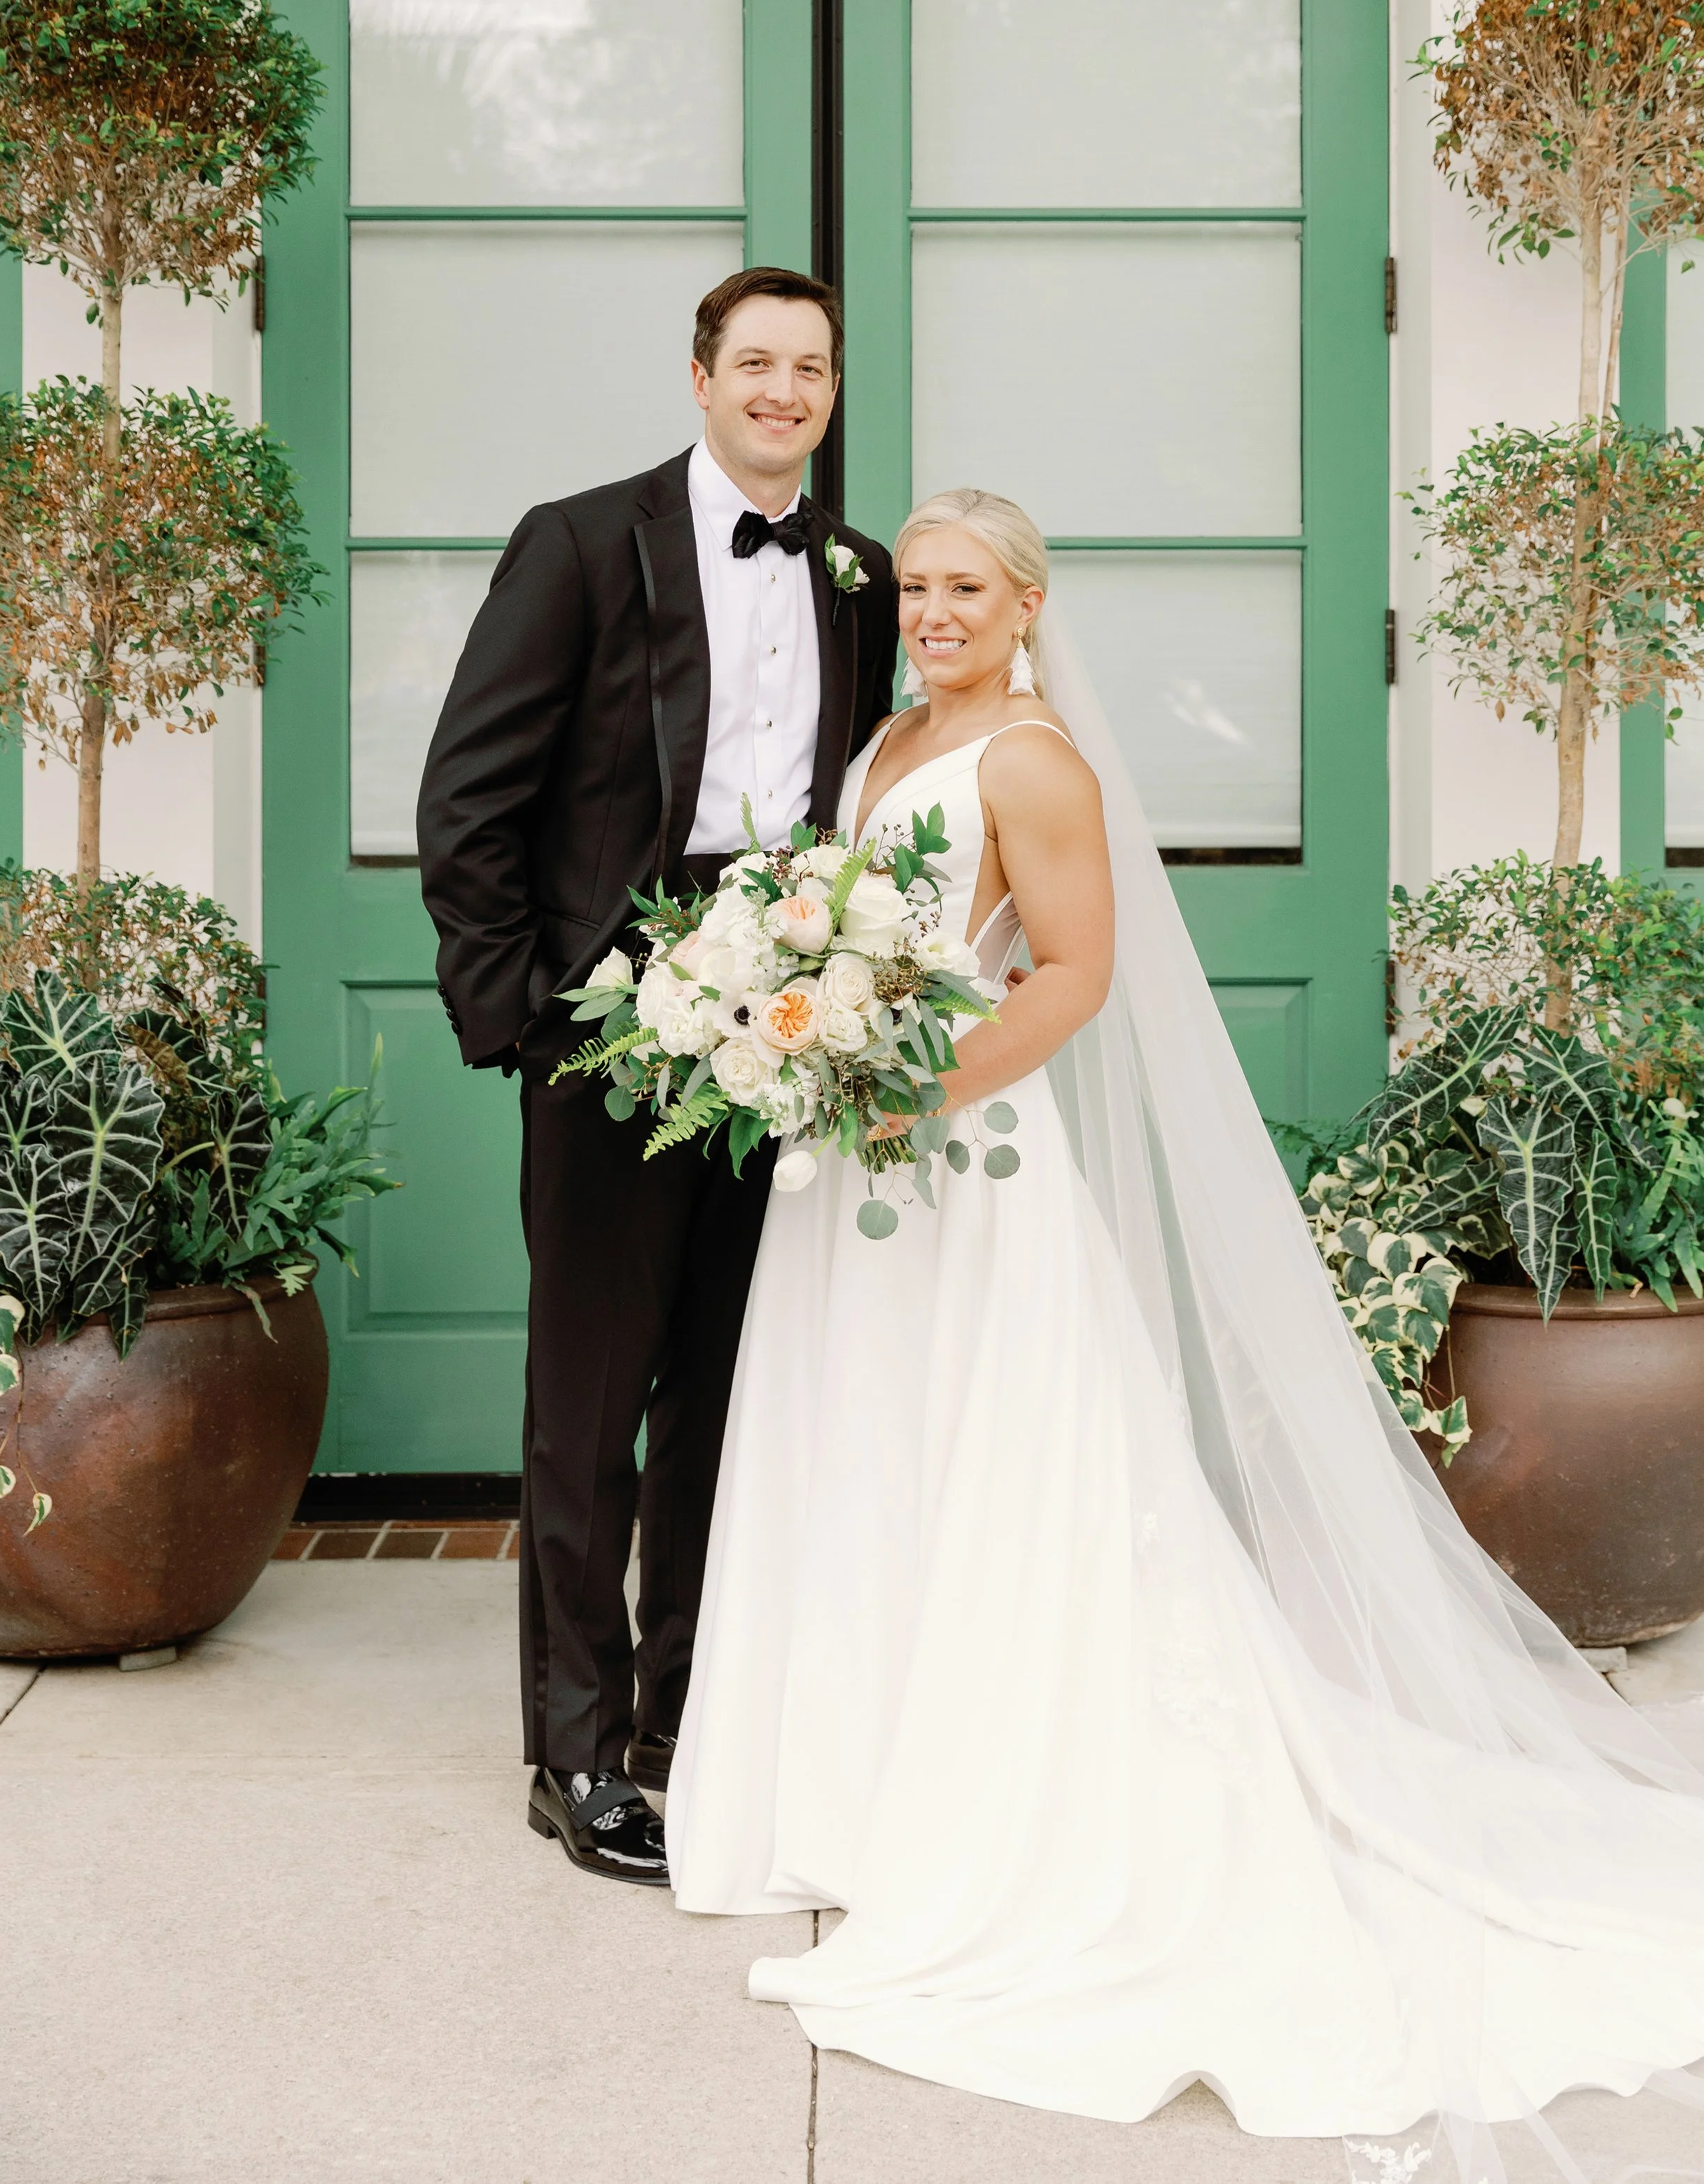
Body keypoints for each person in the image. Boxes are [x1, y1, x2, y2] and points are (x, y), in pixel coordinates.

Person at [666, 487, 1704, 2180]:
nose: (931, 612)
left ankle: (1003, 1813)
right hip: (851, 1198)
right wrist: (792, 1044)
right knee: (857, 1466)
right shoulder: (879, 749)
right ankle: (851, 1793)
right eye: (915, 587)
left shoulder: (1031, 760)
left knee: (996, 1484)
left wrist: (895, 1088)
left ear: (1024, 604)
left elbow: (1067, 975)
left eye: (964, 590)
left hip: (966, 1175)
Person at [417, 267, 896, 1887]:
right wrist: (525, 1020)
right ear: (697, 378)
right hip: (610, 1021)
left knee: (727, 1382)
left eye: (808, 367)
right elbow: (469, 797)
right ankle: (573, 1752)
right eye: (753, 361)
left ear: (831, 392)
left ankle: (692, 1716)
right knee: (591, 1398)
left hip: (785, 1017)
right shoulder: (578, 542)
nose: (782, 390)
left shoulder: (859, 572)